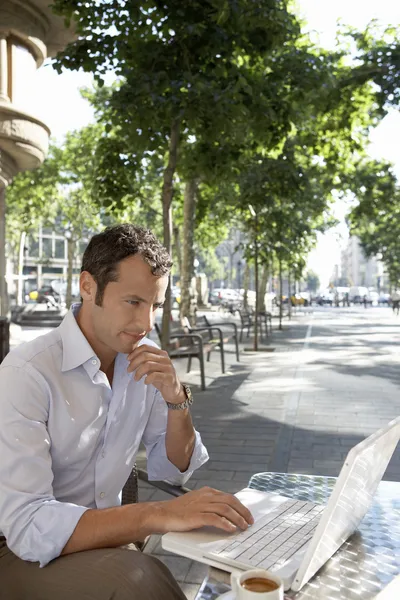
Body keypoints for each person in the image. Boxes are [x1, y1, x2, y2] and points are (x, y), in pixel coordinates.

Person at [0, 224, 253, 600]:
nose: (146, 323)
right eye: (134, 302)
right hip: (22, 553)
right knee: (139, 582)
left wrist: (176, 399)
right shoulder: (27, 373)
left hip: (110, 542)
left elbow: (173, 468)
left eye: (155, 305)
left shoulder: (141, 360)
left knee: (242, 556)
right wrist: (156, 515)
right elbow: (30, 526)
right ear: (88, 287)